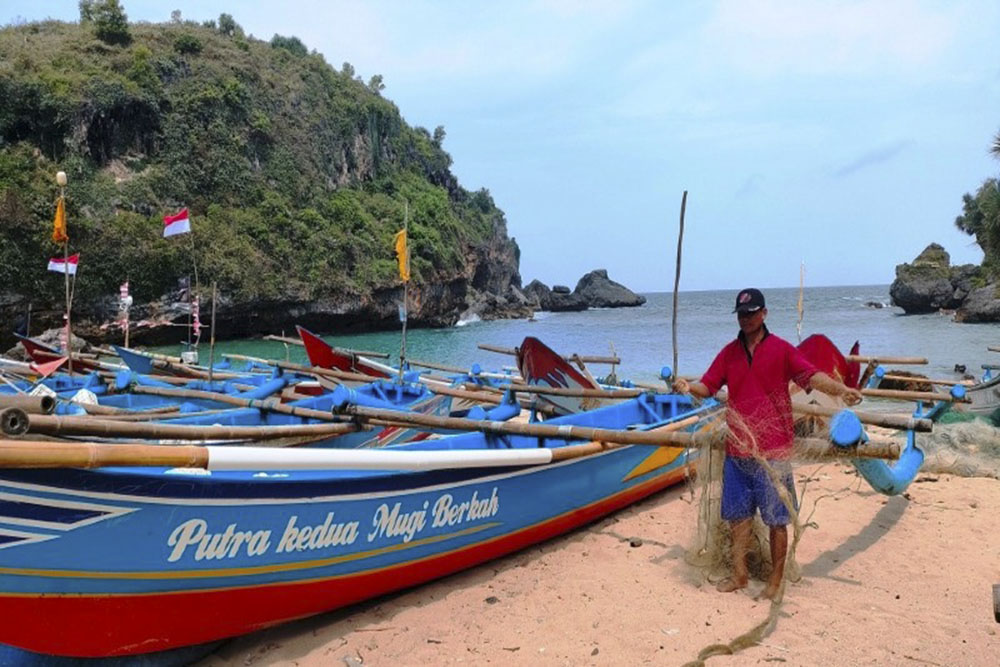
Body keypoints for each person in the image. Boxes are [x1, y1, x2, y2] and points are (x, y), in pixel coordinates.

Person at [672, 288, 862, 600]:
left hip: (774, 450)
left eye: (751, 313)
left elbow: (812, 377)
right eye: (741, 314)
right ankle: (740, 575)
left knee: (777, 519)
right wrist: (686, 386)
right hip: (738, 449)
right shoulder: (729, 353)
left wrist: (841, 389)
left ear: (764, 314)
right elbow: (707, 386)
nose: (746, 319)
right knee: (737, 517)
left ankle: (776, 580)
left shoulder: (782, 349)